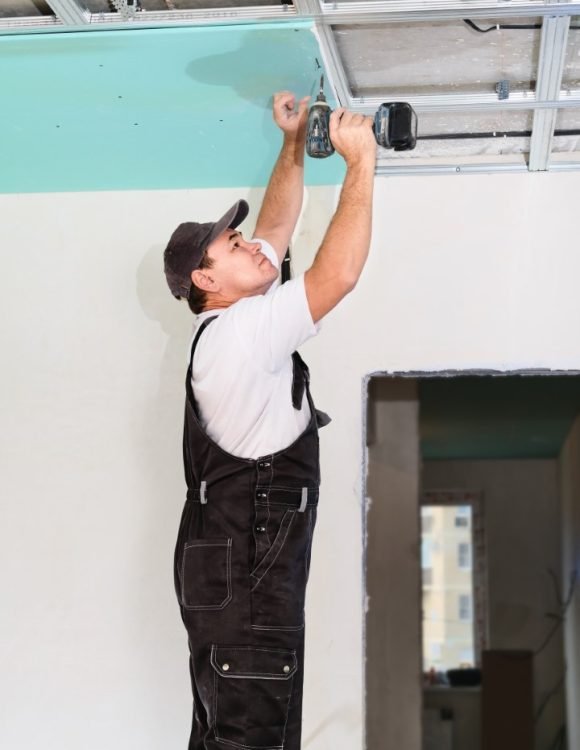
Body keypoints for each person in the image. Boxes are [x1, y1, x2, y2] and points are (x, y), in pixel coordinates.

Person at [163, 90, 376, 750]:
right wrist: (361, 164)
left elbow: (278, 228)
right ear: (206, 277)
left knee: (230, 734)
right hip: (247, 579)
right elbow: (336, 274)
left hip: (233, 574)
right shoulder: (241, 332)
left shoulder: (234, 322)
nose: (255, 247)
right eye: (235, 245)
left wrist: (292, 144)